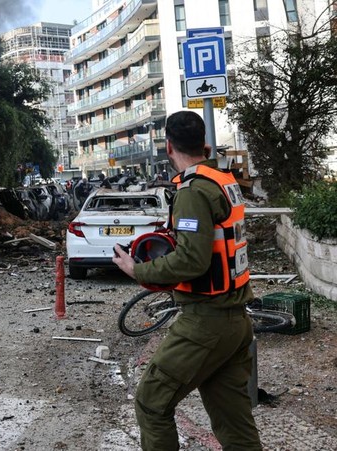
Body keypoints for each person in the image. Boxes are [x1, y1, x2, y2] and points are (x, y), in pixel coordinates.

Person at [112, 111, 261, 450]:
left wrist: (139, 270)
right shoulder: (222, 180)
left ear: (169, 147)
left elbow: (192, 260)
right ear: (204, 144)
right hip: (234, 321)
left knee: (151, 402)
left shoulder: (193, 190)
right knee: (234, 425)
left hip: (206, 324)